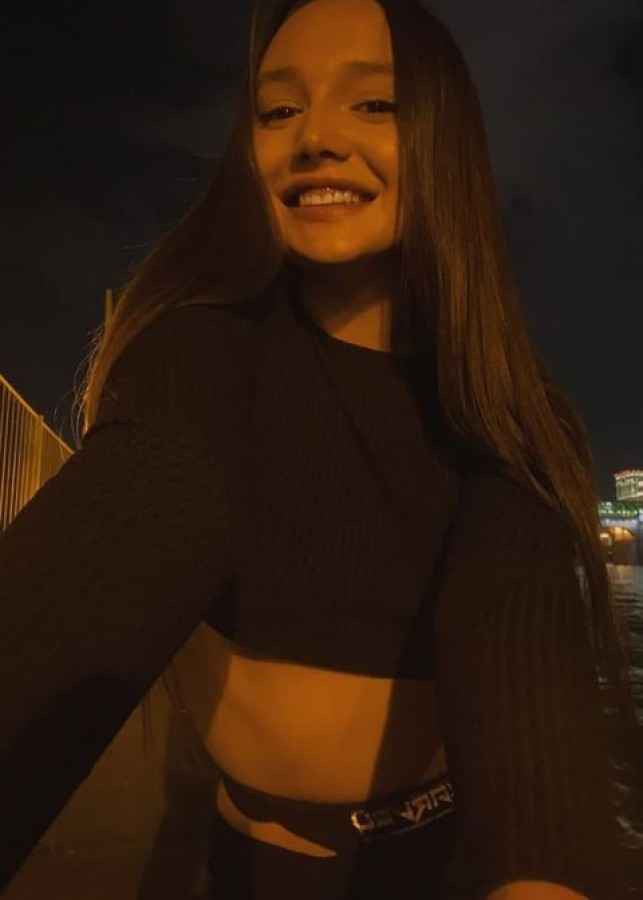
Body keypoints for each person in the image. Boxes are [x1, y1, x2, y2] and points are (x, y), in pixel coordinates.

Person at [0, 0, 636, 897]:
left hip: (446, 859)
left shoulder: (508, 409)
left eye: (373, 104)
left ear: (445, 139)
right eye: (278, 109)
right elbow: (149, 496)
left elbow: (516, 631)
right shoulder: (197, 349)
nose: (316, 139)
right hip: (253, 859)